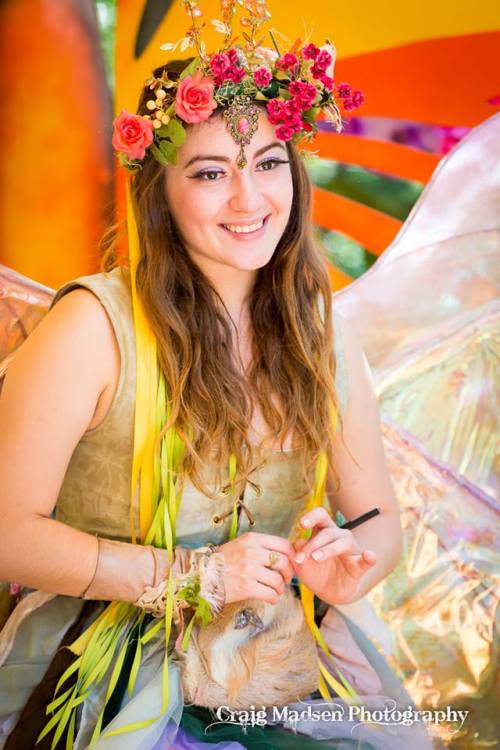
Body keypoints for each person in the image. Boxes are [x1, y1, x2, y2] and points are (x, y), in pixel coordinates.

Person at [0, 15, 434, 749]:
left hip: (277, 657)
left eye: (268, 163)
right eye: (210, 172)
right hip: (96, 663)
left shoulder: (321, 332)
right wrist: (192, 577)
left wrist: (347, 572)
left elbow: (377, 524)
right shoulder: (92, 329)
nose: (248, 198)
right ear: (159, 192)